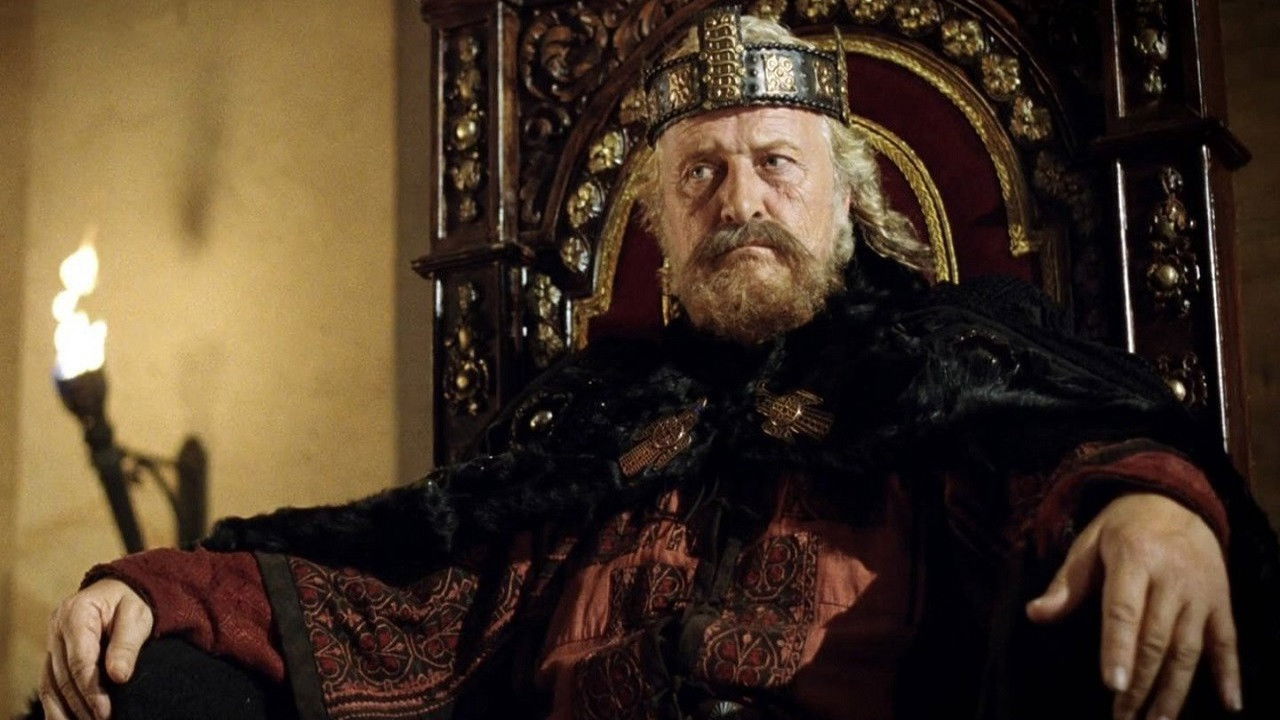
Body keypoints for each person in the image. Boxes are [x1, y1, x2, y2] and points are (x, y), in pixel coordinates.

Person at [36, 8, 1280, 720]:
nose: (738, 201)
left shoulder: (957, 362)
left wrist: (1153, 510)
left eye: (775, 165)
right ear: (660, 234)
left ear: (846, 204)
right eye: (699, 175)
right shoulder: (583, 423)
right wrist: (164, 592)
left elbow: (1078, 452)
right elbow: (404, 578)